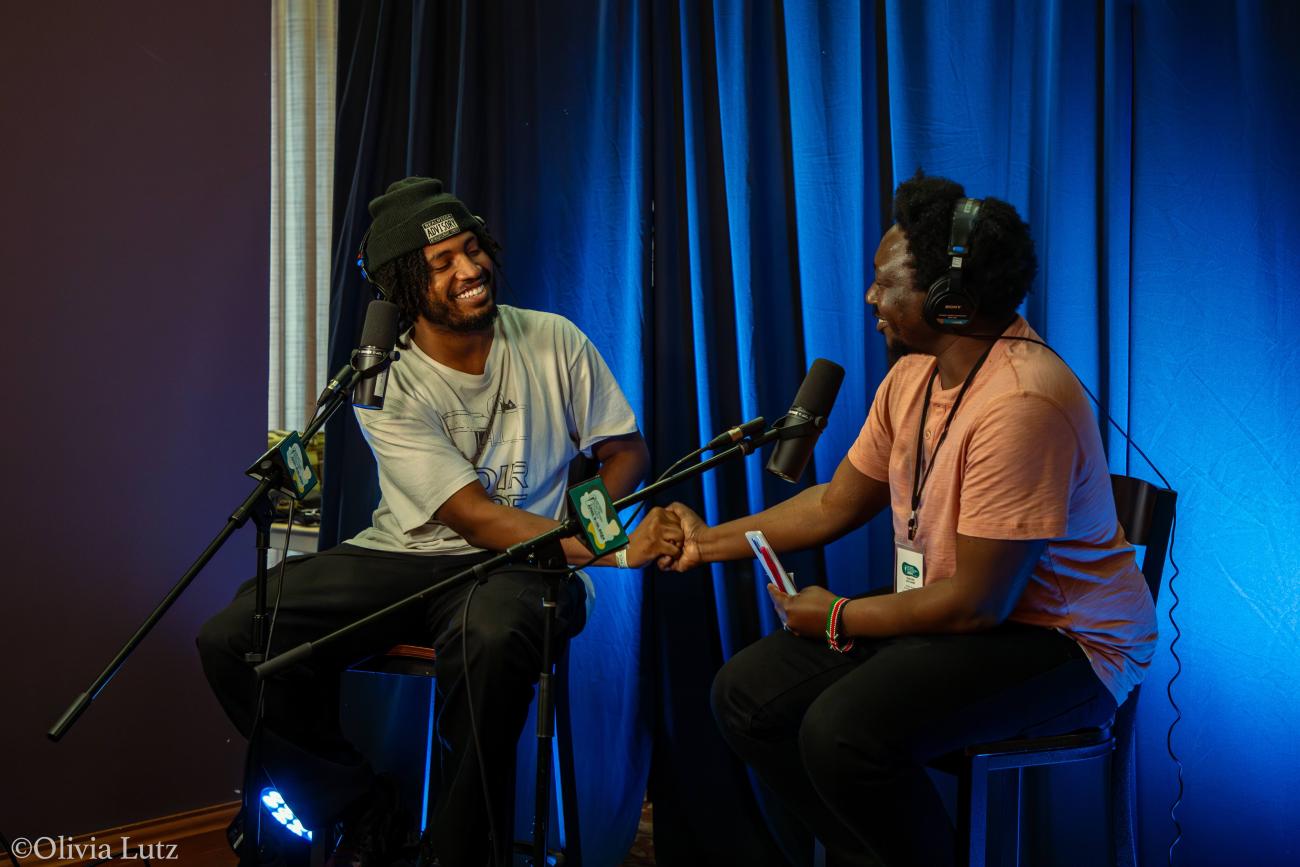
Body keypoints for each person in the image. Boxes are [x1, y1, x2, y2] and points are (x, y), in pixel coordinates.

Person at [659, 171, 1157, 866]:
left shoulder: (1022, 402)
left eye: (885, 281)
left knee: (843, 733)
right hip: (964, 616)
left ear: (950, 300)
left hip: (1066, 644)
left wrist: (835, 617)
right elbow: (837, 501)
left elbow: (979, 604)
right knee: (747, 695)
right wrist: (705, 543)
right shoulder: (910, 378)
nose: (870, 296)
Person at [197, 177, 683, 867]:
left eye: (472, 248)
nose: (470, 269)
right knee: (233, 635)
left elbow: (624, 451)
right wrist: (612, 549)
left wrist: (586, 516)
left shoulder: (552, 339)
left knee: (491, 633)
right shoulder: (381, 380)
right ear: (402, 286)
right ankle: (358, 806)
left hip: (519, 569)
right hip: (403, 557)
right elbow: (476, 518)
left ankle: (458, 854)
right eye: (442, 263)